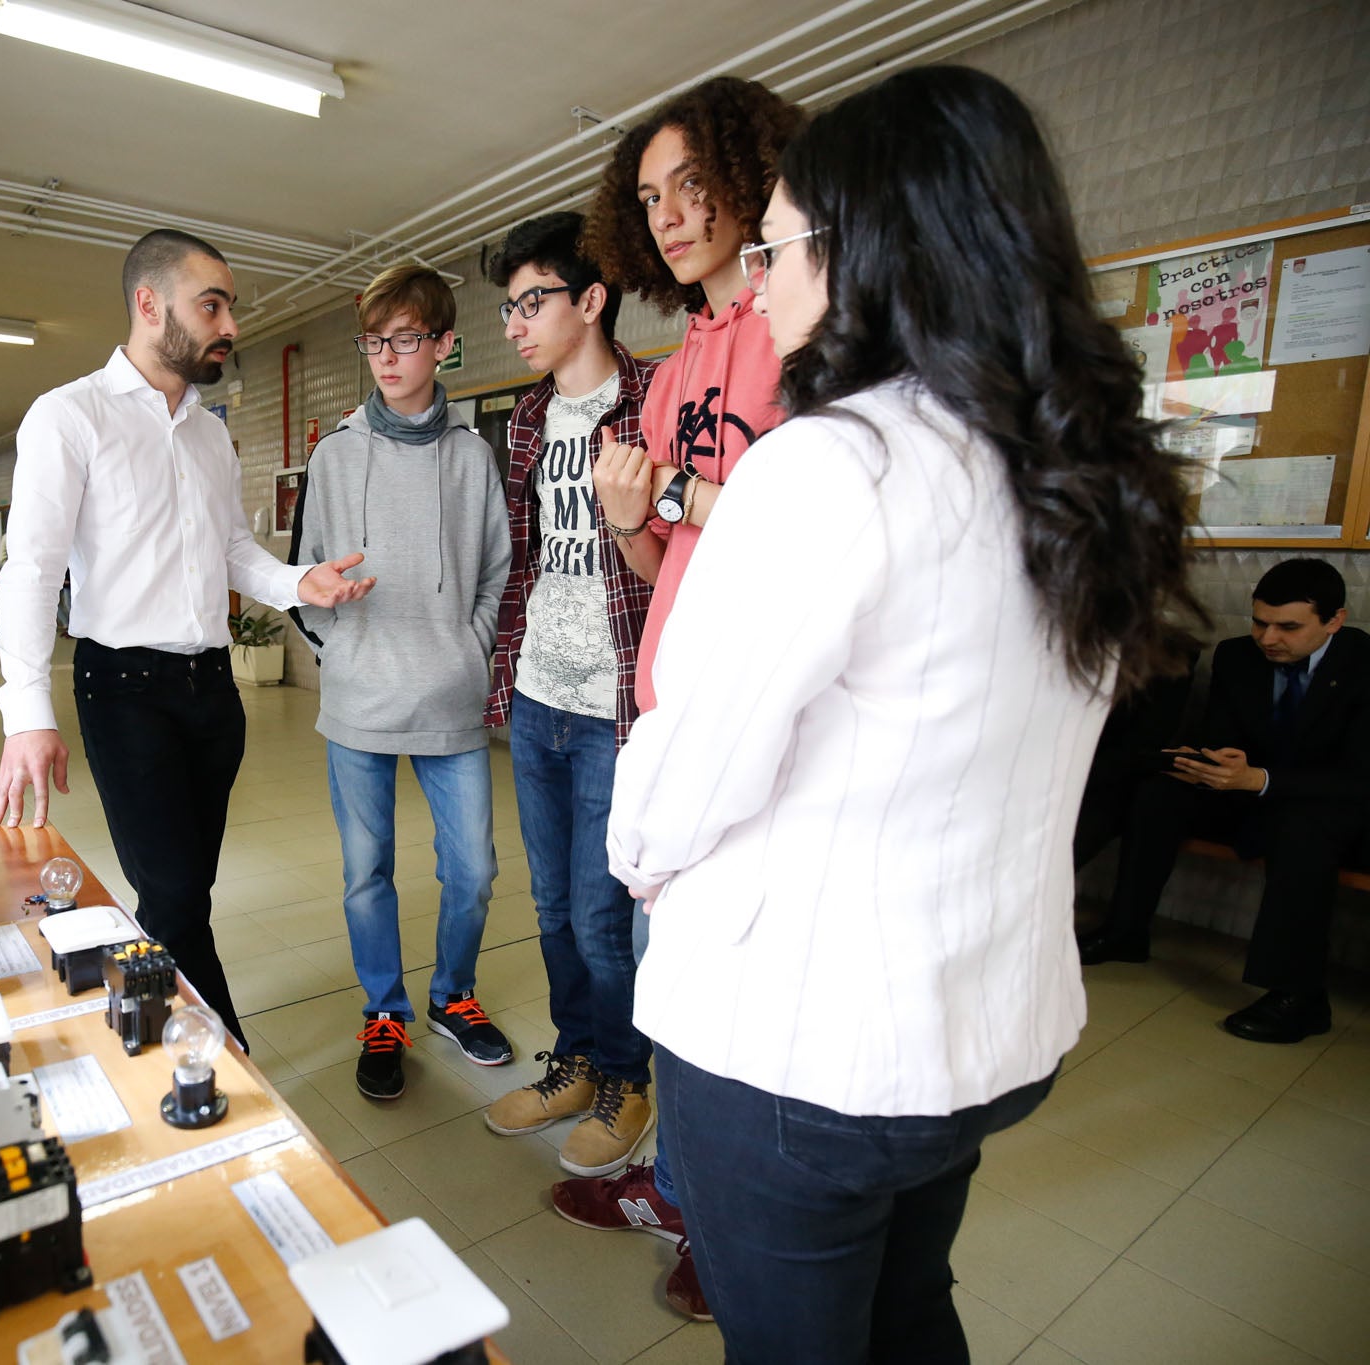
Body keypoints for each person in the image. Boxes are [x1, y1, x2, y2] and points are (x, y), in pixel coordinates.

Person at [607, 66, 1199, 1363]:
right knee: (909, 1305)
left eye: (776, 247)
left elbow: (687, 771)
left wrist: (639, 871)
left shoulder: (830, 464)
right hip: (977, 1026)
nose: (761, 283)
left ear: (868, 250)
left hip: (798, 1054)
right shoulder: (1074, 467)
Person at [0, 229, 374, 1047]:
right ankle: (229, 1056)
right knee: (168, 893)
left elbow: (232, 548)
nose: (229, 322)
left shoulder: (207, 434)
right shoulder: (69, 417)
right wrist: (27, 710)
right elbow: (32, 567)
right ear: (148, 303)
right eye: (212, 304)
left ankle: (142, 1015)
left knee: (184, 896)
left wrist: (294, 582)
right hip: (124, 694)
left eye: (230, 305)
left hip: (212, 695)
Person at [549, 75, 802, 1320]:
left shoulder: (801, 328)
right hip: (671, 717)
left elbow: (806, 532)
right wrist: (625, 521)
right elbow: (664, 567)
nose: (668, 215)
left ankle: (735, 1226)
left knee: (742, 1005)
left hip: (764, 729)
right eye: (646, 199)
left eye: (690, 185)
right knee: (667, 985)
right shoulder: (666, 372)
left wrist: (680, 503)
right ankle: (684, 1185)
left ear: (749, 178)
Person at [288, 264, 513, 1100]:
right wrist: (337, 647)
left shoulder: (472, 458)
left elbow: (495, 570)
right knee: (366, 869)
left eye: (406, 339)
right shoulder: (336, 454)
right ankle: (384, 1012)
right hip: (358, 701)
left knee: (475, 870)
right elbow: (305, 576)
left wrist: (471, 645)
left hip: (449, 697)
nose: (387, 356)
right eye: (375, 341)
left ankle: (453, 993)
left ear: (444, 345)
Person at [478, 211, 659, 1177]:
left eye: (532, 301)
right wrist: (507, 671)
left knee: (600, 915)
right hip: (541, 693)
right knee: (550, 905)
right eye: (509, 306)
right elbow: (527, 560)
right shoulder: (526, 422)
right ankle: (579, 1061)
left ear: (591, 301)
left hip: (614, 708)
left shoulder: (653, 407)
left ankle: (629, 1077)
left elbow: (671, 557)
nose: (515, 323)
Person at [1079, 559, 1368, 1043]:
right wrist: (1214, 761)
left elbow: (1357, 776)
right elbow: (1223, 733)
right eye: (1260, 622)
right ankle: (1126, 931)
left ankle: (1299, 995)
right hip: (1248, 787)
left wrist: (1261, 779)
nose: (1268, 637)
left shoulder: (1362, 666)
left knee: (1303, 830)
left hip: (1327, 802)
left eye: (1288, 627)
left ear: (1335, 620)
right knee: (1159, 792)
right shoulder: (1238, 657)